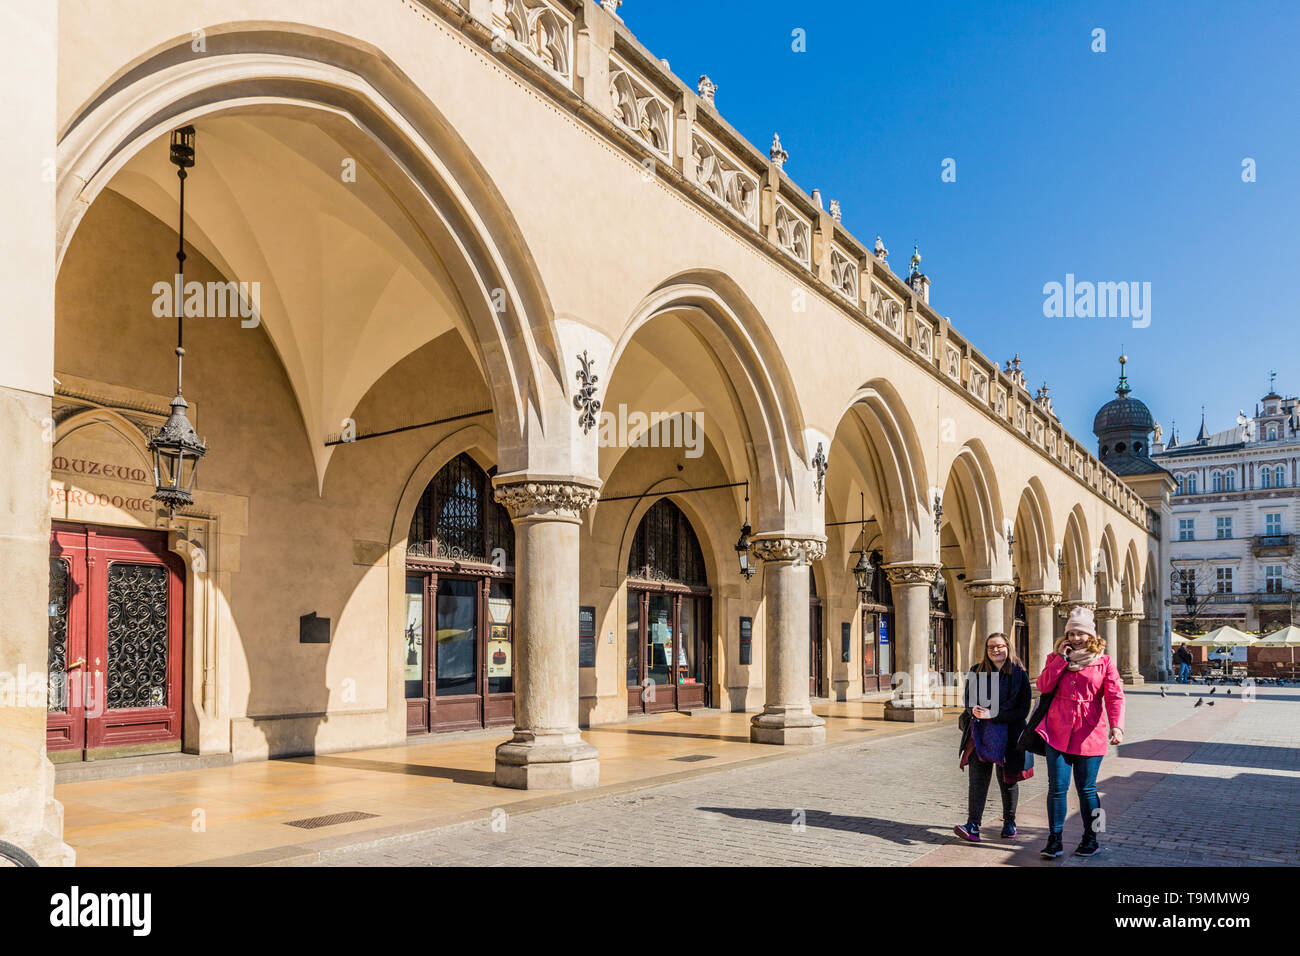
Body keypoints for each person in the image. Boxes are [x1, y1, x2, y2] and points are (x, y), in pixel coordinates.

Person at [1036, 606, 1125, 859]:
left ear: (1091, 635)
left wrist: (1117, 725)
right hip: (1056, 732)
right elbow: (1043, 685)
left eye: (1080, 633)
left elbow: (1115, 696)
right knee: (1057, 788)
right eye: (1071, 633)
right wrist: (1061, 661)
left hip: (1090, 735)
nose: (1075, 638)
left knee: (1087, 789)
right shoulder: (1055, 658)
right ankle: (1054, 839)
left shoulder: (1104, 662)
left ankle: (1092, 837)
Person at [953, 632, 1033, 843]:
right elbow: (968, 700)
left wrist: (994, 714)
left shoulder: (1019, 674)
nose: (995, 650)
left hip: (1009, 737)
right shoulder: (976, 671)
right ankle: (973, 825)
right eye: (990, 647)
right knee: (977, 781)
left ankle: (1009, 821)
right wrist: (974, 710)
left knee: (1007, 780)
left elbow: (1023, 710)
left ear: (1008, 647)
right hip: (979, 735)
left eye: (999, 646)